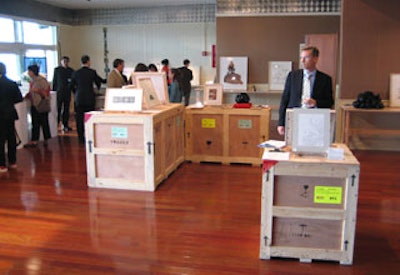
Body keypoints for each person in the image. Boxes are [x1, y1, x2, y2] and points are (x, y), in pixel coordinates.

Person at [277, 46, 334, 136]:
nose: (302, 60)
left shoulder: (325, 79)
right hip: (295, 117)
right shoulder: (293, 76)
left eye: (306, 57)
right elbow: (285, 99)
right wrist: (281, 123)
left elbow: (329, 102)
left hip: (315, 120)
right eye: (301, 57)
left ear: (315, 59)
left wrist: (315, 102)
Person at [69, 55, 105, 144]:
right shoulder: (92, 72)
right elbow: (99, 82)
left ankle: (80, 137)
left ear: (81, 62)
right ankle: (90, 135)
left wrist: (76, 92)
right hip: (89, 98)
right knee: (89, 118)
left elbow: (70, 86)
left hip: (79, 98)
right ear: (88, 62)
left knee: (79, 118)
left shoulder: (76, 73)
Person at [0, 62, 23, 172]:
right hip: (10, 113)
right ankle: (12, 161)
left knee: (1, 139)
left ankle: (2, 164)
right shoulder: (12, 83)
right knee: (11, 137)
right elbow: (19, 98)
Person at [24, 64, 51, 148]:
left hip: (40, 104)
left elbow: (46, 93)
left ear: (32, 72)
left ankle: (48, 140)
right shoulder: (32, 80)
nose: (28, 73)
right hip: (34, 104)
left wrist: (37, 91)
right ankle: (34, 140)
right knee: (35, 123)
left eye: (29, 71)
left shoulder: (41, 80)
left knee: (44, 123)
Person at [52, 56, 74, 132]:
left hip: (67, 92)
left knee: (66, 109)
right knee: (57, 109)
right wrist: (53, 92)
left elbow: (72, 82)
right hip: (59, 92)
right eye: (63, 61)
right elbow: (54, 81)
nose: (65, 63)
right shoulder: (57, 70)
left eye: (66, 61)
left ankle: (65, 125)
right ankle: (56, 124)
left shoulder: (71, 70)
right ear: (61, 62)